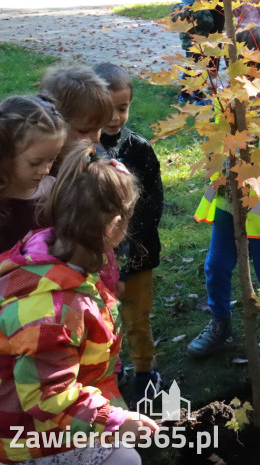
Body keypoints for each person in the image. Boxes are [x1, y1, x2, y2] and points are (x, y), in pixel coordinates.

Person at [0, 143, 158, 464]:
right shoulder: (55, 307)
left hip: (33, 417)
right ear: (114, 227)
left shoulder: (52, 259)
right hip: (23, 438)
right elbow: (48, 399)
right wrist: (115, 422)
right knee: (127, 461)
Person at [188, 26, 260, 358]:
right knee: (216, 265)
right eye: (234, 66)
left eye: (252, 66)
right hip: (228, 201)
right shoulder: (225, 102)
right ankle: (219, 322)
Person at [94, 63, 166, 408]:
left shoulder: (138, 149)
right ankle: (110, 369)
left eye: (122, 108)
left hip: (137, 251)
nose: (115, 117)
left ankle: (144, 370)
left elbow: (153, 201)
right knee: (103, 315)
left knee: (137, 314)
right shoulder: (83, 151)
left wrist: (131, 239)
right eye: (107, 109)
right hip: (97, 256)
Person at [0, 96, 65, 253]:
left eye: (52, 159)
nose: (46, 170)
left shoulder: (54, 187)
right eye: (35, 163)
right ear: (5, 156)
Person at [39, 66, 114, 161]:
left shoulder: (94, 158)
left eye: (99, 129)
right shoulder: (33, 167)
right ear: (49, 123)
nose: (96, 140)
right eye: (84, 131)